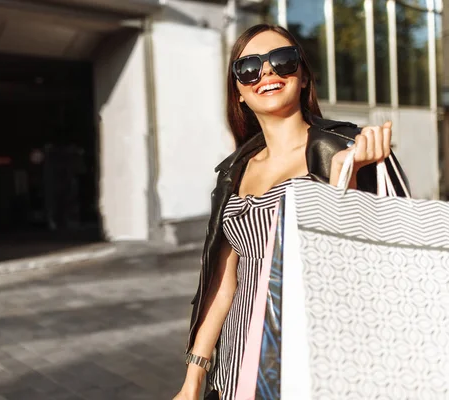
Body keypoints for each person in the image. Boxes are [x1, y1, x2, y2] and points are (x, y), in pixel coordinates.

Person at [173, 24, 408, 400]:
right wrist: (194, 377)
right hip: (235, 369)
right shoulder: (234, 171)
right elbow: (222, 281)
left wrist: (353, 173)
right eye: (248, 68)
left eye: (282, 61)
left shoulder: (345, 150)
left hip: (312, 364)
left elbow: (368, 263)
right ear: (239, 93)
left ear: (302, 78)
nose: (266, 73)